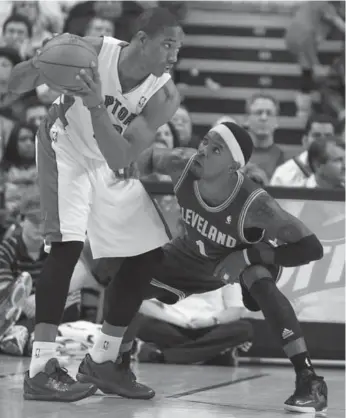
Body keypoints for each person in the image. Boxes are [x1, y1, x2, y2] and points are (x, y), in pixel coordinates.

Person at [8, 7, 184, 402]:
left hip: (109, 161)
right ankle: (40, 370)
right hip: (64, 144)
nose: (173, 55)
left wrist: (94, 103)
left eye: (179, 47)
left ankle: (103, 361)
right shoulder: (91, 51)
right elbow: (16, 84)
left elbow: (122, 157)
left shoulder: (165, 95)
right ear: (141, 40)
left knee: (147, 255)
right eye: (167, 44)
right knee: (67, 245)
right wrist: (37, 64)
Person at [92, 121, 326, 413]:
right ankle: (119, 363)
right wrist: (133, 167)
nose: (203, 150)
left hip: (238, 260)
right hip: (189, 256)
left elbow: (311, 247)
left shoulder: (257, 205)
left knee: (258, 280)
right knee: (126, 277)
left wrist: (249, 257)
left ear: (233, 167)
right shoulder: (184, 164)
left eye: (216, 149)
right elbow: (152, 156)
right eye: (205, 142)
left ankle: (309, 381)